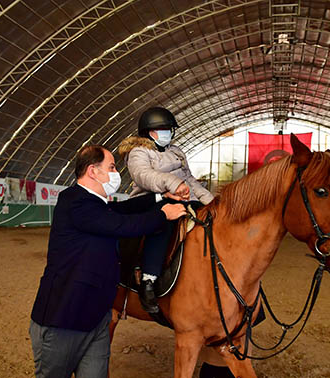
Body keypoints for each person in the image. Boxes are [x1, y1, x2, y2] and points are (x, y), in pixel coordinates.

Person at [29, 144, 186, 378]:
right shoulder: (74, 201)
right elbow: (123, 225)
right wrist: (164, 214)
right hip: (63, 319)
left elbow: (123, 209)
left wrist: (160, 197)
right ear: (93, 171)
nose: (116, 173)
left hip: (97, 319)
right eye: (111, 167)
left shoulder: (97, 207)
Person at [118, 106, 214, 313]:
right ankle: (148, 279)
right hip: (150, 199)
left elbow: (189, 180)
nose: (167, 133)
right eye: (162, 129)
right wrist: (173, 184)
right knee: (164, 217)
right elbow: (144, 176)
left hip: (180, 197)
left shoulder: (176, 152)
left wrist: (211, 202)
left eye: (169, 129)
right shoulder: (138, 153)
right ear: (148, 132)